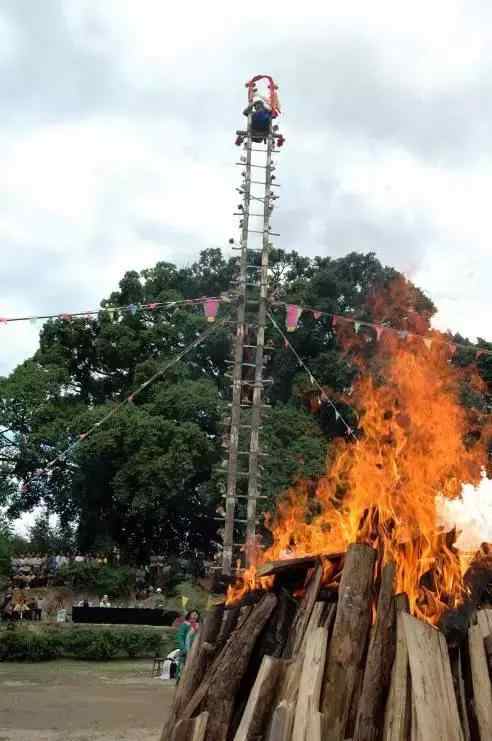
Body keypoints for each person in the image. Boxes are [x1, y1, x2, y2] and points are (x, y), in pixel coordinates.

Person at [176, 610, 200, 680]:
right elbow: (180, 637)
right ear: (189, 615)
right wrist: (183, 648)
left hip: (196, 649)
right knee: (183, 665)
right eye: (193, 614)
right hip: (186, 649)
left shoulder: (199, 626)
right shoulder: (185, 625)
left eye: (196, 614)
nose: (194, 615)